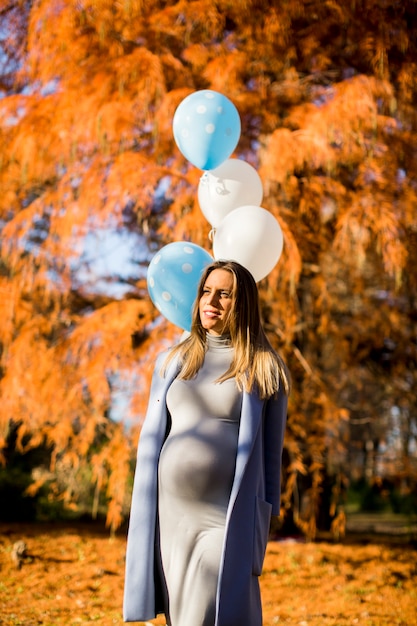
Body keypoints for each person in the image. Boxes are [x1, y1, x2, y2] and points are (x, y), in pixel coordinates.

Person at [123, 259, 290, 626]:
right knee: (181, 613)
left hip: (224, 519)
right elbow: (155, 436)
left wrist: (261, 526)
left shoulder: (264, 367)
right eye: (205, 291)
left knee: (208, 611)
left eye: (224, 294)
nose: (210, 300)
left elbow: (269, 459)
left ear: (242, 302)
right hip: (171, 516)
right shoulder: (173, 360)